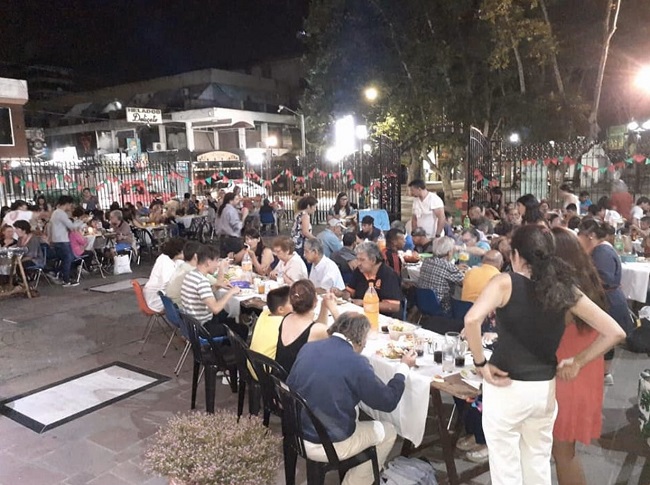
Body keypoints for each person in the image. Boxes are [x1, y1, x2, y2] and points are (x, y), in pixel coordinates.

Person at [464, 224, 625, 485]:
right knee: (536, 462)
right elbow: (615, 331)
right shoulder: (564, 289)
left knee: (506, 467)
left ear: (515, 255)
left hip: (507, 387)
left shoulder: (505, 282)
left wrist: (481, 363)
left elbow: (471, 320)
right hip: (543, 388)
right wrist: (579, 361)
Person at [287, 312, 416, 485]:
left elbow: (291, 385)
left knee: (353, 407)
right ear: (361, 340)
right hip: (327, 442)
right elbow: (388, 402)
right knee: (389, 431)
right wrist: (403, 369)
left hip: (296, 430)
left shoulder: (308, 347)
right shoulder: (357, 362)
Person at [550, 227, 609, 485]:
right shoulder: (586, 280)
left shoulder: (566, 289)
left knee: (563, 453)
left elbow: (614, 333)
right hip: (582, 370)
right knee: (564, 451)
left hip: (569, 373)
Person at [577, 219, 634, 386]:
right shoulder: (601, 249)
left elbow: (604, 279)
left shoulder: (601, 252)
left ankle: (605, 373)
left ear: (591, 236)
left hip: (608, 300)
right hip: (607, 299)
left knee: (604, 337)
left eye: (581, 235)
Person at [180, 244, 247, 339]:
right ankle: (225, 350)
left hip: (192, 323)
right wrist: (231, 292)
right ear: (208, 262)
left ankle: (221, 346)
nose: (218, 265)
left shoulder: (191, 275)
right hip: (203, 327)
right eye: (216, 261)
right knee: (242, 329)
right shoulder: (202, 281)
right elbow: (215, 309)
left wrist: (216, 286)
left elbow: (201, 296)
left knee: (228, 317)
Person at [275, 279, 334, 373]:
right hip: (295, 383)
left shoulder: (287, 317)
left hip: (278, 379)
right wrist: (333, 307)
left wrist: (324, 307)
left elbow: (319, 327)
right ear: (315, 302)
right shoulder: (315, 330)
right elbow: (347, 336)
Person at [346, 242, 403, 315]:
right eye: (357, 259)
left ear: (373, 260)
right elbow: (350, 291)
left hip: (382, 317)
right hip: (359, 313)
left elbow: (394, 306)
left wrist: (364, 303)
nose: (358, 263)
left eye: (362, 260)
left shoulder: (388, 275)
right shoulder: (359, 271)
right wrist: (342, 293)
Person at [418, 237, 464, 315]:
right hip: (442, 307)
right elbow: (464, 283)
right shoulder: (449, 267)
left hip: (422, 302)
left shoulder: (426, 261)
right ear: (449, 252)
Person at [50, 196, 88, 287]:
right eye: (70, 204)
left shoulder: (55, 213)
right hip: (62, 239)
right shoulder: (61, 213)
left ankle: (56, 273)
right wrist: (81, 222)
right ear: (67, 204)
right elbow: (71, 226)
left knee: (66, 258)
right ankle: (66, 280)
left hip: (56, 239)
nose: (71, 207)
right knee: (68, 259)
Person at [249, 286, 293, 364]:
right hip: (268, 372)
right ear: (280, 309)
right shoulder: (284, 323)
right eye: (292, 303)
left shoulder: (264, 313)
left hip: (253, 365)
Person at [143, 237, 186, 312]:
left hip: (162, 293)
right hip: (157, 298)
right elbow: (167, 283)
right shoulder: (165, 261)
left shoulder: (174, 259)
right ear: (179, 251)